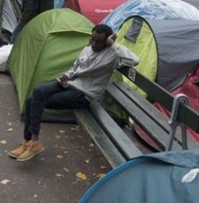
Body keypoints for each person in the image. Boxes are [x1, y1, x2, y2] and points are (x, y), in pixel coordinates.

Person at [8, 24, 139, 162]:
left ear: (107, 41)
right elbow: (76, 67)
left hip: (83, 95)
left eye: (99, 41)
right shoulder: (88, 49)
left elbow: (134, 60)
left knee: (33, 102)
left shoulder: (113, 55)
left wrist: (113, 45)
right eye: (92, 39)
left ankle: (34, 141)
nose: (94, 43)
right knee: (36, 93)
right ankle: (28, 141)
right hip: (69, 84)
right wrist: (66, 76)